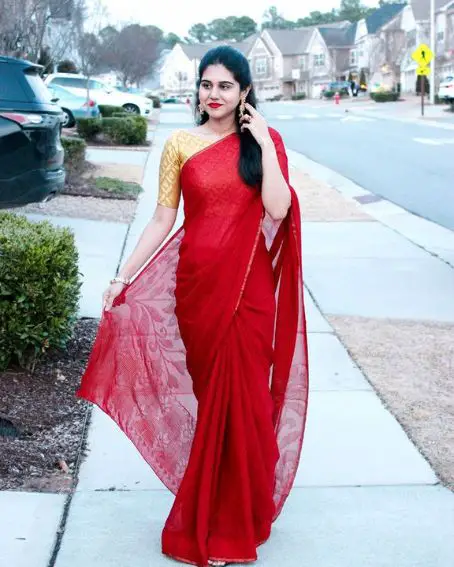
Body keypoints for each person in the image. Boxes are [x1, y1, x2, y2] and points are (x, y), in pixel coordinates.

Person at [77, 46, 309, 567]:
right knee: (214, 404)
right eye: (207, 84)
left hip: (249, 293)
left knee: (245, 401)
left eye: (226, 86)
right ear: (197, 90)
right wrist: (123, 276)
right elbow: (163, 220)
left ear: (245, 92)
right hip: (197, 290)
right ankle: (219, 514)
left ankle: (235, 519)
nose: (214, 94)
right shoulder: (179, 144)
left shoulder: (266, 144)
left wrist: (265, 145)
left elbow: (278, 206)